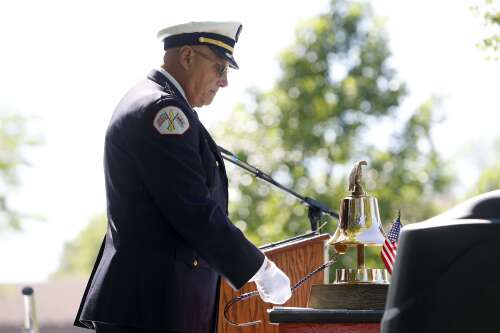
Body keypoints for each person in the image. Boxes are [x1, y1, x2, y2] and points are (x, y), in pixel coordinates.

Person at [74, 21, 292, 333]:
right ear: (187, 56)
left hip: (154, 307)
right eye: (219, 67)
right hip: (151, 308)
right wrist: (260, 268)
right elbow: (192, 208)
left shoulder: (158, 103)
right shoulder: (162, 111)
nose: (224, 81)